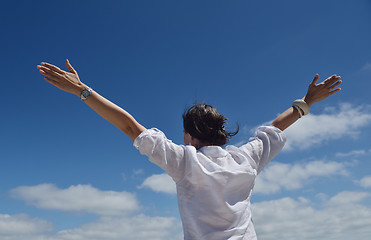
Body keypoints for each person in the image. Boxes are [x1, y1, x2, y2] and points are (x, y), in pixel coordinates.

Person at [37, 60, 342, 240]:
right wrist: (308, 101)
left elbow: (130, 126)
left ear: (188, 136)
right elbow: (276, 126)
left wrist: (81, 90)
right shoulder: (246, 158)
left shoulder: (186, 162)